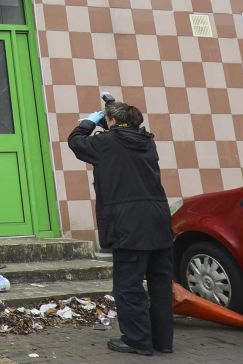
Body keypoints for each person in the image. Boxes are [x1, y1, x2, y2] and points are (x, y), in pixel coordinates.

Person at [68, 101, 173, 356]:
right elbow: (123, 137)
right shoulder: (147, 141)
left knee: (129, 285)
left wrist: (89, 122)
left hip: (129, 224)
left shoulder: (106, 144)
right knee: (160, 285)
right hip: (158, 219)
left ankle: (138, 340)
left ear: (112, 121)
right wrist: (110, 122)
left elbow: (76, 141)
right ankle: (163, 341)